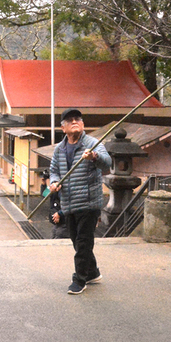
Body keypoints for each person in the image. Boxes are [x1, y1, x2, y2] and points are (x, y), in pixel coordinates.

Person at [48, 108, 112, 295]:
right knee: (77, 241)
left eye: (78, 119)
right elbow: (54, 170)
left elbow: (107, 163)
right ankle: (92, 272)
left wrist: (94, 156)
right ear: (63, 128)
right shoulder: (59, 149)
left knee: (83, 242)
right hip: (68, 203)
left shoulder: (92, 144)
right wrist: (53, 182)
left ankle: (80, 279)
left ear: (83, 124)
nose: (75, 122)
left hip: (89, 201)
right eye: (70, 120)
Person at [40, 170, 67, 240]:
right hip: (56, 223)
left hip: (65, 223)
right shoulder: (53, 189)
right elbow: (44, 194)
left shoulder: (65, 189)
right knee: (53, 239)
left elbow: (70, 205)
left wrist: (60, 214)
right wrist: (43, 183)